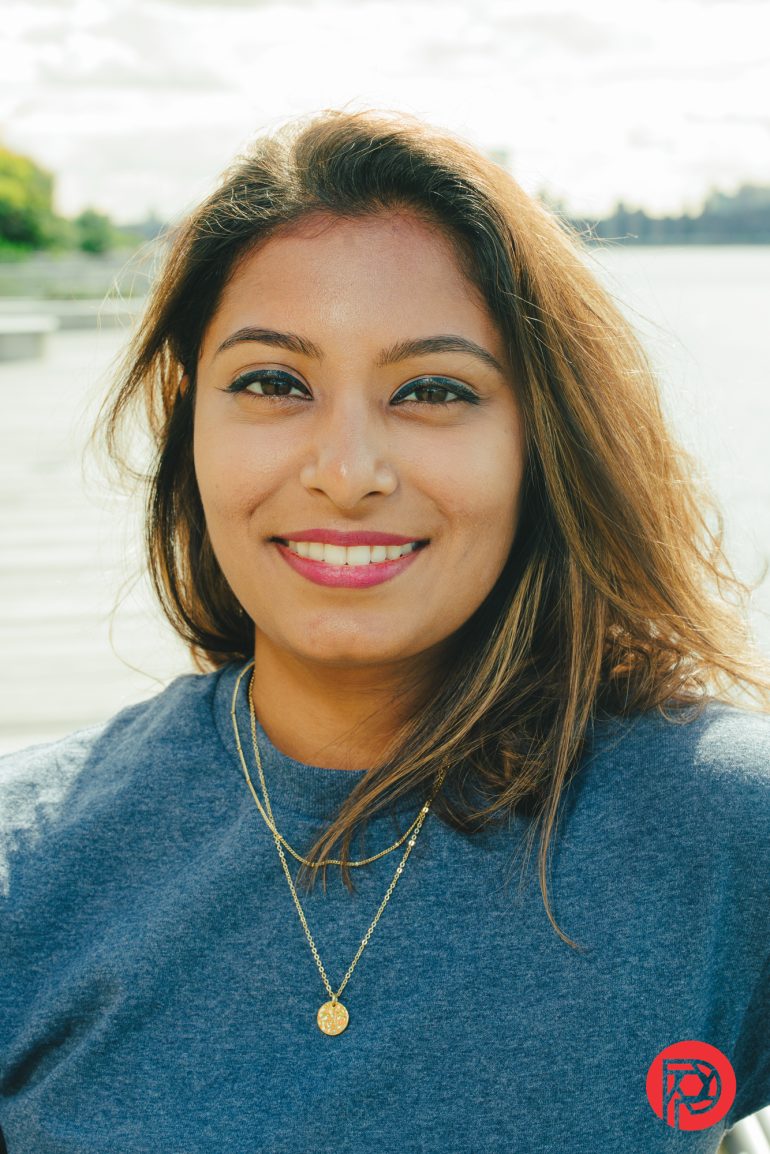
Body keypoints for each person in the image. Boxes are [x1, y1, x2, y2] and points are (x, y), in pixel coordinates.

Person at [1, 108, 768, 1154]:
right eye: (272, 382)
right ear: (187, 423)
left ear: (541, 438)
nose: (346, 467)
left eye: (432, 390)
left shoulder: (719, 828)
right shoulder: (27, 867)